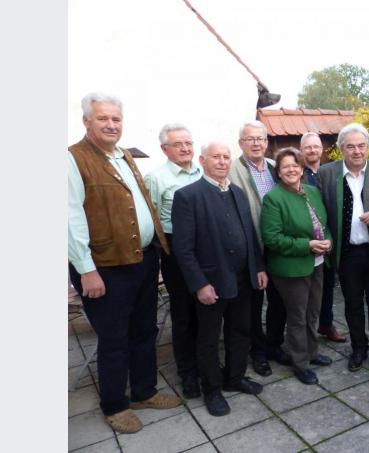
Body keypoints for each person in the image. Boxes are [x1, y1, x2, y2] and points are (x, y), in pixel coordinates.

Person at [68, 93, 181, 434]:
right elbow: (70, 217)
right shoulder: (73, 159)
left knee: (144, 330)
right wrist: (86, 269)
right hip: (104, 267)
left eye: (116, 119)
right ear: (87, 121)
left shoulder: (123, 155)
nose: (111, 125)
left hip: (142, 259)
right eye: (103, 119)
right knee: (114, 339)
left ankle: (144, 392)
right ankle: (115, 405)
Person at [171, 142, 266, 416]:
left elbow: (249, 233)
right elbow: (183, 249)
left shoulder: (237, 192)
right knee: (208, 339)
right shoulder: (188, 196)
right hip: (212, 283)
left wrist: (258, 267)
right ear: (202, 160)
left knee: (240, 331)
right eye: (216, 157)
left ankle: (234, 378)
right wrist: (200, 284)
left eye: (226, 157)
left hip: (242, 279)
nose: (223, 162)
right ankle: (212, 389)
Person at [317, 123, 369, 377]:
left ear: (368, 147)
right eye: (350, 146)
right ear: (341, 149)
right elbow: (319, 213)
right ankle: (358, 349)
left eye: (361, 146)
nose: (356, 151)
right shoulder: (326, 173)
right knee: (352, 305)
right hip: (346, 252)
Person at [261, 148, 334, 385]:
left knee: (313, 312)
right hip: (291, 269)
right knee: (297, 317)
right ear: (279, 173)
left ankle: (312, 352)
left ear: (302, 169)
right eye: (285, 167)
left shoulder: (312, 191)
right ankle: (300, 363)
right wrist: (308, 245)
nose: (291, 170)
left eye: (295, 165)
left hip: (318, 263)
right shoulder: (274, 198)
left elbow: (323, 224)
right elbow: (272, 238)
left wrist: (328, 240)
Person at [144, 123, 203, 399]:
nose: (185, 148)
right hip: (176, 252)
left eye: (188, 143)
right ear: (164, 149)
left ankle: (206, 362)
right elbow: (151, 219)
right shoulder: (156, 178)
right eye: (178, 144)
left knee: (206, 310)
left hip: (206, 250)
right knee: (183, 315)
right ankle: (187, 372)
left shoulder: (202, 171)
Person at [228, 120, 291, 376]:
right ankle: (258, 352)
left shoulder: (276, 168)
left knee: (279, 300)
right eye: (250, 139)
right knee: (253, 304)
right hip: (250, 246)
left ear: (267, 142)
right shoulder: (232, 170)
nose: (256, 143)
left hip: (277, 245)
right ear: (241, 142)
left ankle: (274, 344)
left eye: (261, 139)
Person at [300, 132, 346, 343]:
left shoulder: (332, 172)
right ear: (302, 150)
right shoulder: (297, 172)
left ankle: (325, 324)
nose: (312, 150)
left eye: (316, 146)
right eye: (308, 147)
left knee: (327, 285)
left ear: (322, 149)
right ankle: (302, 331)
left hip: (329, 237)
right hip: (305, 240)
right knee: (304, 290)